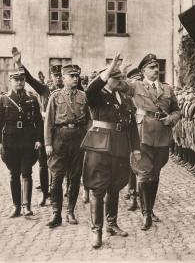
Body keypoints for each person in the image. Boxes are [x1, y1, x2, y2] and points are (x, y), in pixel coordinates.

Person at [116, 53, 181, 231]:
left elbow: (176, 110)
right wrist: (121, 71)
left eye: (157, 66)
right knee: (144, 174)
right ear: (143, 70)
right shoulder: (136, 85)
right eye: (151, 67)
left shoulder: (167, 89)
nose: (156, 69)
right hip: (143, 134)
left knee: (155, 174)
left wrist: (172, 119)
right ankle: (146, 214)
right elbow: (119, 85)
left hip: (162, 135)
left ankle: (150, 210)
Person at [81, 60, 140, 248]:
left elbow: (131, 125)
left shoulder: (124, 97)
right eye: (118, 78)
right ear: (108, 79)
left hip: (119, 146)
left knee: (114, 186)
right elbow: (89, 91)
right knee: (98, 189)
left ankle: (112, 224)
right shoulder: (97, 96)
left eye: (122, 78)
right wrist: (108, 70)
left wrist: (136, 148)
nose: (122, 81)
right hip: (100, 146)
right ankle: (96, 230)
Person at [13, 48, 64, 206]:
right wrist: (19, 63)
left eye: (61, 76)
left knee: (61, 164)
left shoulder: (68, 91)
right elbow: (29, 79)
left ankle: (59, 193)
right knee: (43, 164)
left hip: (61, 133)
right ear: (51, 77)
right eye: (56, 76)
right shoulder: (44, 90)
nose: (59, 79)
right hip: (46, 132)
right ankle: (45, 194)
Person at [44, 65, 90, 228]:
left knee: (75, 177)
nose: (75, 78)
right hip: (60, 138)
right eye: (71, 76)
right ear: (63, 79)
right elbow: (48, 122)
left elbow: (88, 120)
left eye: (77, 76)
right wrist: (48, 143)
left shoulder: (83, 96)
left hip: (78, 138)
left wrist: (88, 138)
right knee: (56, 178)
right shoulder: (55, 96)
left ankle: (70, 211)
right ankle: (56, 213)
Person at [0, 68, 43, 217]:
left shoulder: (32, 98)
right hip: (10, 142)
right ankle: (16, 207)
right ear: (11, 81)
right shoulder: (4, 99)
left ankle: (26, 206)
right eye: (16, 80)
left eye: (22, 80)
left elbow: (39, 122)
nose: (20, 82)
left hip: (28, 141)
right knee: (14, 174)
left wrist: (39, 139)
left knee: (27, 171)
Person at [124, 67, 143, 211]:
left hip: (145, 134)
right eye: (136, 81)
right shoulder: (127, 99)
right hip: (131, 134)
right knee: (132, 165)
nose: (139, 84)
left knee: (145, 165)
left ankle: (143, 194)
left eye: (140, 80)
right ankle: (132, 195)